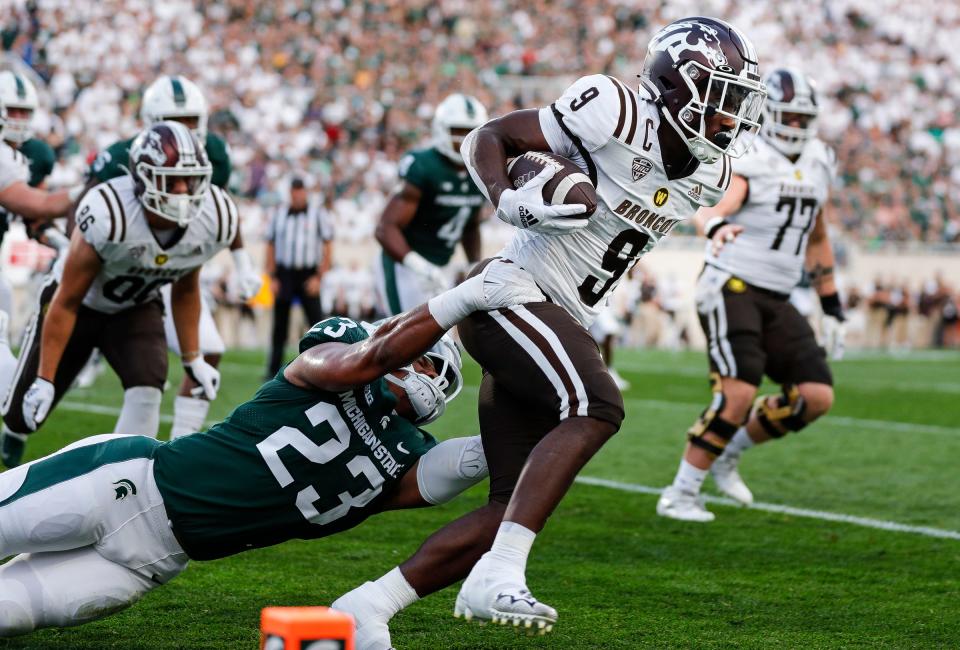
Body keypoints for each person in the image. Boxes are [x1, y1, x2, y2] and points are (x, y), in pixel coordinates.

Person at [334, 16, 767, 642]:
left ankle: (367, 607)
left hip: (560, 317)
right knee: (597, 404)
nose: (731, 116)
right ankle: (501, 572)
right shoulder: (613, 110)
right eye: (721, 97)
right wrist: (506, 197)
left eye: (737, 102)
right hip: (512, 293)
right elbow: (491, 135)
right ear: (675, 87)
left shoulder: (710, 173)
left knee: (506, 506)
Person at [0, 259, 544, 637]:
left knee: (10, 613)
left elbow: (484, 457)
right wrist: (461, 300)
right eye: (419, 355)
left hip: (150, 562)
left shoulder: (408, 454)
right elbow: (361, 362)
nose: (421, 370)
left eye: (433, 367)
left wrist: (550, 403)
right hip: (122, 486)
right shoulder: (341, 352)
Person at [656, 68, 843, 522]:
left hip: (778, 295)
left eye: (804, 119)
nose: (796, 127)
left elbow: (817, 235)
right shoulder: (751, 155)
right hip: (731, 285)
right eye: (789, 117)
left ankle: (728, 452)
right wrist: (716, 226)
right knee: (738, 394)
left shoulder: (819, 159)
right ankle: (680, 493)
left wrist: (831, 305)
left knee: (815, 396)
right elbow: (715, 206)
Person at [0, 121, 233, 467]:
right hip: (80, 304)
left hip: (136, 306)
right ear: (142, 178)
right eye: (172, 180)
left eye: (191, 179)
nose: (183, 191)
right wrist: (46, 378)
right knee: (21, 417)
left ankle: (115, 479)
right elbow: (65, 301)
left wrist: (192, 357)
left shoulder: (215, 215)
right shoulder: (110, 212)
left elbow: (185, 288)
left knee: (148, 386)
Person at [81, 75, 261, 441]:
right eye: (171, 120)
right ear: (149, 122)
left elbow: (221, 209)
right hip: (126, 272)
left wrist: (242, 261)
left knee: (208, 350)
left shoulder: (213, 152)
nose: (181, 130)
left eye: (189, 121)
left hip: (177, 272)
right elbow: (84, 217)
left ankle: (181, 442)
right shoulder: (120, 156)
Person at [0, 96, 83, 415]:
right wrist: (86, 190)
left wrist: (61, 243)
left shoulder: (26, 158)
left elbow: (35, 217)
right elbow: (37, 205)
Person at [374, 94, 488, 315]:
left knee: (439, 346)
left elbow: (470, 224)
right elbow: (384, 228)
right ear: (441, 129)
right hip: (405, 265)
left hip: (440, 266)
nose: (464, 138)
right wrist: (417, 265)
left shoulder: (480, 169)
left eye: (471, 131)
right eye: (458, 130)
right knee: (401, 340)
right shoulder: (423, 165)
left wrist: (473, 264)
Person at [264, 177, 333, 377]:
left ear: (306, 192)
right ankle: (272, 369)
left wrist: (319, 277)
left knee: (316, 322)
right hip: (284, 273)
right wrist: (272, 276)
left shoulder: (317, 214)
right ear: (290, 193)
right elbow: (270, 244)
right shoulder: (279, 214)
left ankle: (324, 364)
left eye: (301, 190)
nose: (297, 195)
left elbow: (328, 245)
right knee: (279, 324)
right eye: (294, 191)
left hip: (308, 273)